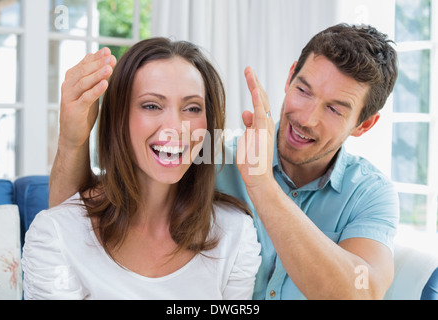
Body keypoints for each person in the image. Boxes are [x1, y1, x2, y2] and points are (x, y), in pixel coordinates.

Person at [47, 23, 400, 300]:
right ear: (290, 76)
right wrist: (72, 138)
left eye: (335, 108)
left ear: (364, 124)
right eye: (303, 90)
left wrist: (262, 185)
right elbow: (79, 219)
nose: (306, 117)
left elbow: (360, 291)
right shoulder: (210, 151)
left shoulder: (370, 193)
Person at [22, 38, 261, 300]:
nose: (175, 126)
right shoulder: (55, 234)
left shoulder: (235, 233)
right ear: (118, 119)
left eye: (192, 108)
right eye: (151, 105)